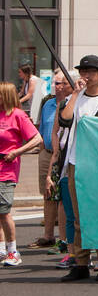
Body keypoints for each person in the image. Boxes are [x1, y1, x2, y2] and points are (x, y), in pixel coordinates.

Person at [57, 55, 98, 282]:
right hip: (75, 161)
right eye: (83, 71)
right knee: (78, 215)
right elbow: (64, 120)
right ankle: (81, 262)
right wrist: (74, 94)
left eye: (90, 71)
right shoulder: (76, 98)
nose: (86, 75)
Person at [0, 81, 42, 266]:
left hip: (6, 169)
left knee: (4, 211)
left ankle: (13, 251)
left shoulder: (17, 115)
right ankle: (2, 249)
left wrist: (16, 151)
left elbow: (36, 138)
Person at [31, 70, 71, 251]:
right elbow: (43, 128)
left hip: (63, 155)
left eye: (60, 83)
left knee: (62, 197)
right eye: (55, 83)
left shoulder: (70, 104)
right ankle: (48, 235)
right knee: (47, 194)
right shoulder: (48, 103)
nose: (56, 86)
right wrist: (41, 151)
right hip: (46, 152)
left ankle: (64, 239)